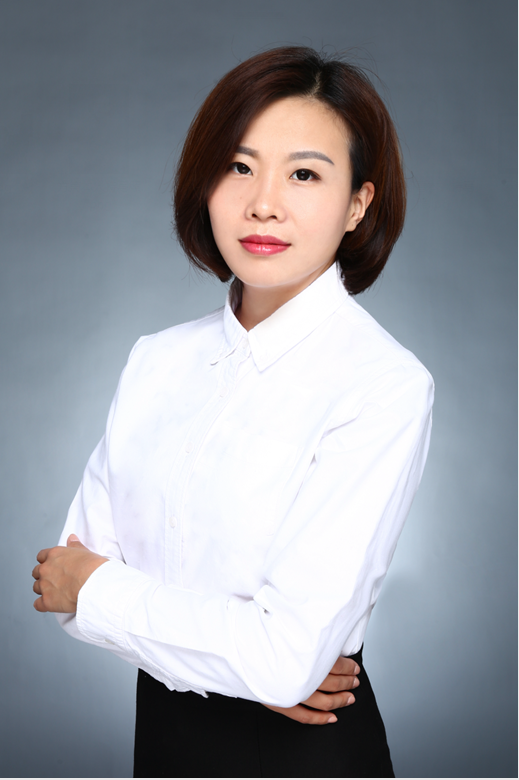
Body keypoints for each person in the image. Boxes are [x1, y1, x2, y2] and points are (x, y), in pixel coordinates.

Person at [32, 46, 434, 778]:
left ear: (357, 204)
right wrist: (245, 662)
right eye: (239, 167)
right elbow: (62, 585)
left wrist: (105, 593)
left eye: (304, 174)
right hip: (160, 744)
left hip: (305, 754)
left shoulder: (381, 384)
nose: (263, 204)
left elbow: (281, 660)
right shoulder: (156, 360)